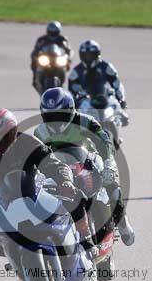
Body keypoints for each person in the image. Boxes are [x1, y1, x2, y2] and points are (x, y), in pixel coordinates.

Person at [0, 108, 77, 260]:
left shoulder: (26, 142)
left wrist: (65, 181)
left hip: (35, 196)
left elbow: (52, 163)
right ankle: (15, 255)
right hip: (3, 206)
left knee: (79, 198)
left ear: (10, 135)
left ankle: (88, 244)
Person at [34, 87, 135, 247]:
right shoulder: (39, 132)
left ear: (71, 110)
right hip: (60, 170)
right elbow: (38, 157)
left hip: (88, 162)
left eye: (60, 115)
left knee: (109, 179)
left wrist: (108, 161)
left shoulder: (85, 121)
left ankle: (122, 221)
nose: (56, 120)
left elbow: (104, 140)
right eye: (50, 116)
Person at [68, 39, 130, 126]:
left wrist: (121, 98)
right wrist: (76, 100)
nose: (88, 58)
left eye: (91, 56)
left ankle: (116, 133)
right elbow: (71, 89)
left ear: (97, 54)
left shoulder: (106, 66)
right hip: (86, 99)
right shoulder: (76, 71)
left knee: (124, 117)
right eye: (86, 56)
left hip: (105, 96)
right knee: (75, 120)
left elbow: (116, 83)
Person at [30, 21, 72, 92]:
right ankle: (37, 84)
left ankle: (61, 87)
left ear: (59, 32)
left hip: (57, 60)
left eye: (55, 32)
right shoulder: (42, 39)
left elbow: (69, 51)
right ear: (48, 31)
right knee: (37, 70)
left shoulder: (63, 39)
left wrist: (68, 59)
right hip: (46, 60)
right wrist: (35, 59)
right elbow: (35, 51)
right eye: (51, 32)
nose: (53, 34)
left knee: (63, 69)